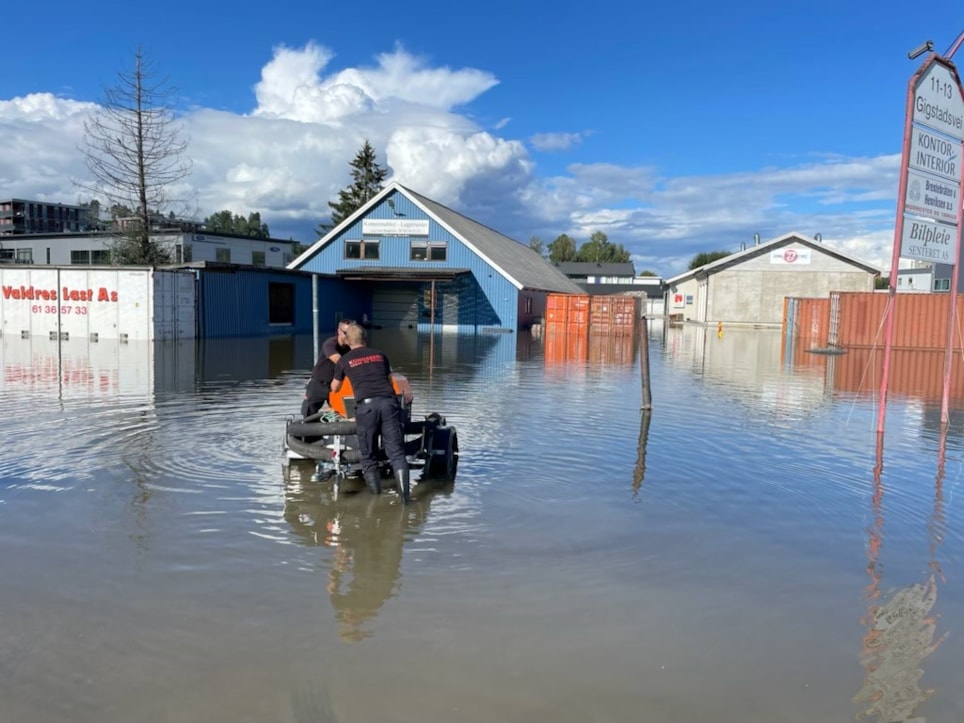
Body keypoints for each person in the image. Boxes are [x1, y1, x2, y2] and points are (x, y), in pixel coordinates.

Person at [330, 323, 410, 502]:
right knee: (397, 453)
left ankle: (377, 501)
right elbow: (390, 381)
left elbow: (335, 388)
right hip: (389, 403)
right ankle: (406, 500)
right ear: (365, 338)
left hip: (366, 408)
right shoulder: (381, 355)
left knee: (368, 456)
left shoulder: (345, 360)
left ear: (347, 341)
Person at [301, 319, 353, 418]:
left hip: (337, 385)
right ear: (339, 331)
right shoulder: (330, 343)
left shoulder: (351, 346)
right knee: (308, 413)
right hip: (319, 384)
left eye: (352, 333)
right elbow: (338, 360)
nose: (349, 336)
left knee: (342, 413)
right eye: (346, 333)